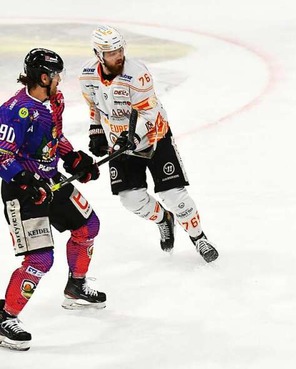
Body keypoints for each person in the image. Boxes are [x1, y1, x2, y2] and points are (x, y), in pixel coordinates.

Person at [79, 25, 218, 263]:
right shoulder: (87, 77)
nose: (118, 55)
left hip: (154, 137)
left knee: (174, 194)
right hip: (120, 144)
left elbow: (149, 115)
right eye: (111, 53)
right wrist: (96, 132)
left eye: (120, 50)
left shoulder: (137, 74)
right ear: (98, 54)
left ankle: (199, 237)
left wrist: (132, 137)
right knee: (130, 199)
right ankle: (164, 219)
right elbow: (95, 108)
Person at [0, 48, 104, 351]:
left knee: (88, 226)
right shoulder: (14, 111)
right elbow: (2, 156)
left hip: (50, 181)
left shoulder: (54, 101)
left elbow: (54, 138)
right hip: (21, 192)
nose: (60, 80)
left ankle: (76, 285)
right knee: (41, 259)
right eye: (57, 75)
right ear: (44, 77)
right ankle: (6, 317)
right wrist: (25, 181)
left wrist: (73, 158)